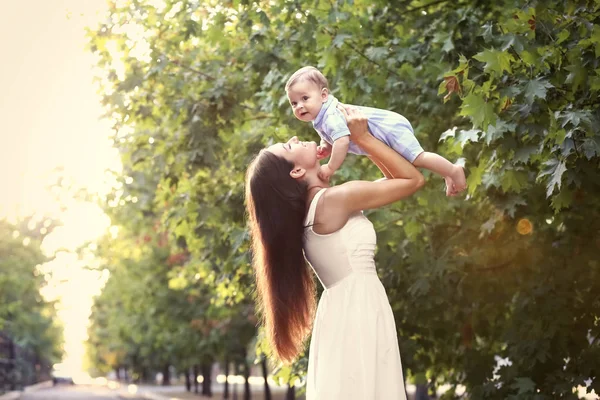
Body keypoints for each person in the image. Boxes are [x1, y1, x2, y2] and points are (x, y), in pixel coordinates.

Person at [245, 104, 425, 399]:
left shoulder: (321, 206)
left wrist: (359, 139)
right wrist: (364, 139)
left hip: (348, 309)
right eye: (289, 146)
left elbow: (398, 181)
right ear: (297, 170)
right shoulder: (332, 201)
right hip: (358, 309)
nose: (294, 137)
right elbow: (413, 180)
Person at [285, 66, 466, 196]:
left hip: (388, 128)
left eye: (305, 98)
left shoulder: (330, 115)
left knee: (417, 158)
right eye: (294, 103)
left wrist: (331, 167)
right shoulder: (320, 118)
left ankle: (453, 170)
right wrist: (326, 146)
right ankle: (446, 173)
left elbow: (342, 140)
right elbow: (334, 138)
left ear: (324, 95)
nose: (299, 106)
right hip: (382, 133)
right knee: (398, 173)